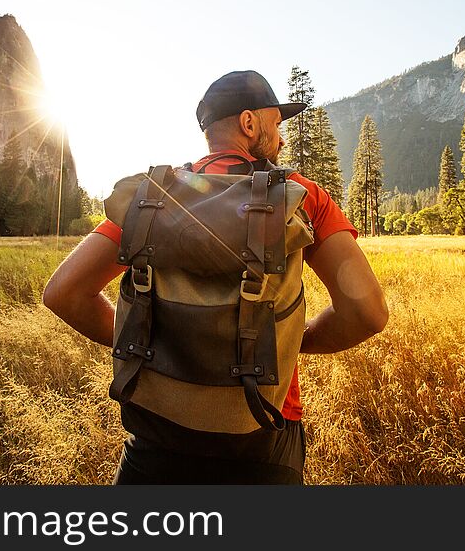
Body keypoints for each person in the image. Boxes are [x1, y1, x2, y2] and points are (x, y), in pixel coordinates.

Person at [43, 70, 388, 484]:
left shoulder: (155, 197)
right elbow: (368, 312)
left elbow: (64, 293)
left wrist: (144, 340)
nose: (280, 138)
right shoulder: (301, 196)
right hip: (264, 431)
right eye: (276, 124)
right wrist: (289, 341)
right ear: (249, 123)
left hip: (157, 432)